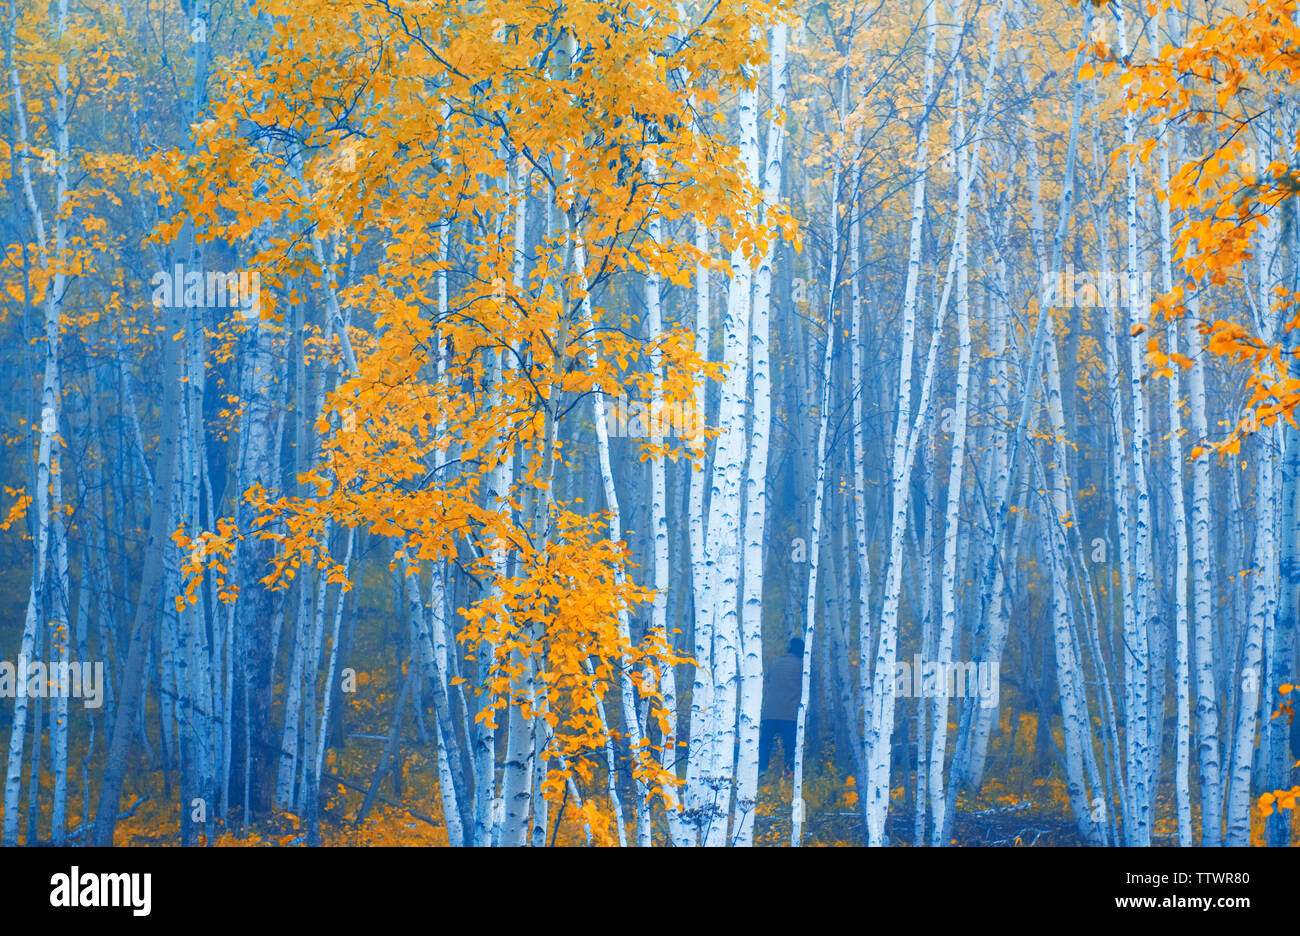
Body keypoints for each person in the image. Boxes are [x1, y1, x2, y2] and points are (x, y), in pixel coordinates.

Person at [759, 638, 804, 774]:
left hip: (770, 712)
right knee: (790, 746)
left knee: (765, 743)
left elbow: (768, 680)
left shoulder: (776, 664)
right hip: (789, 714)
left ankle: (761, 770)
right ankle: (789, 772)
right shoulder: (802, 666)